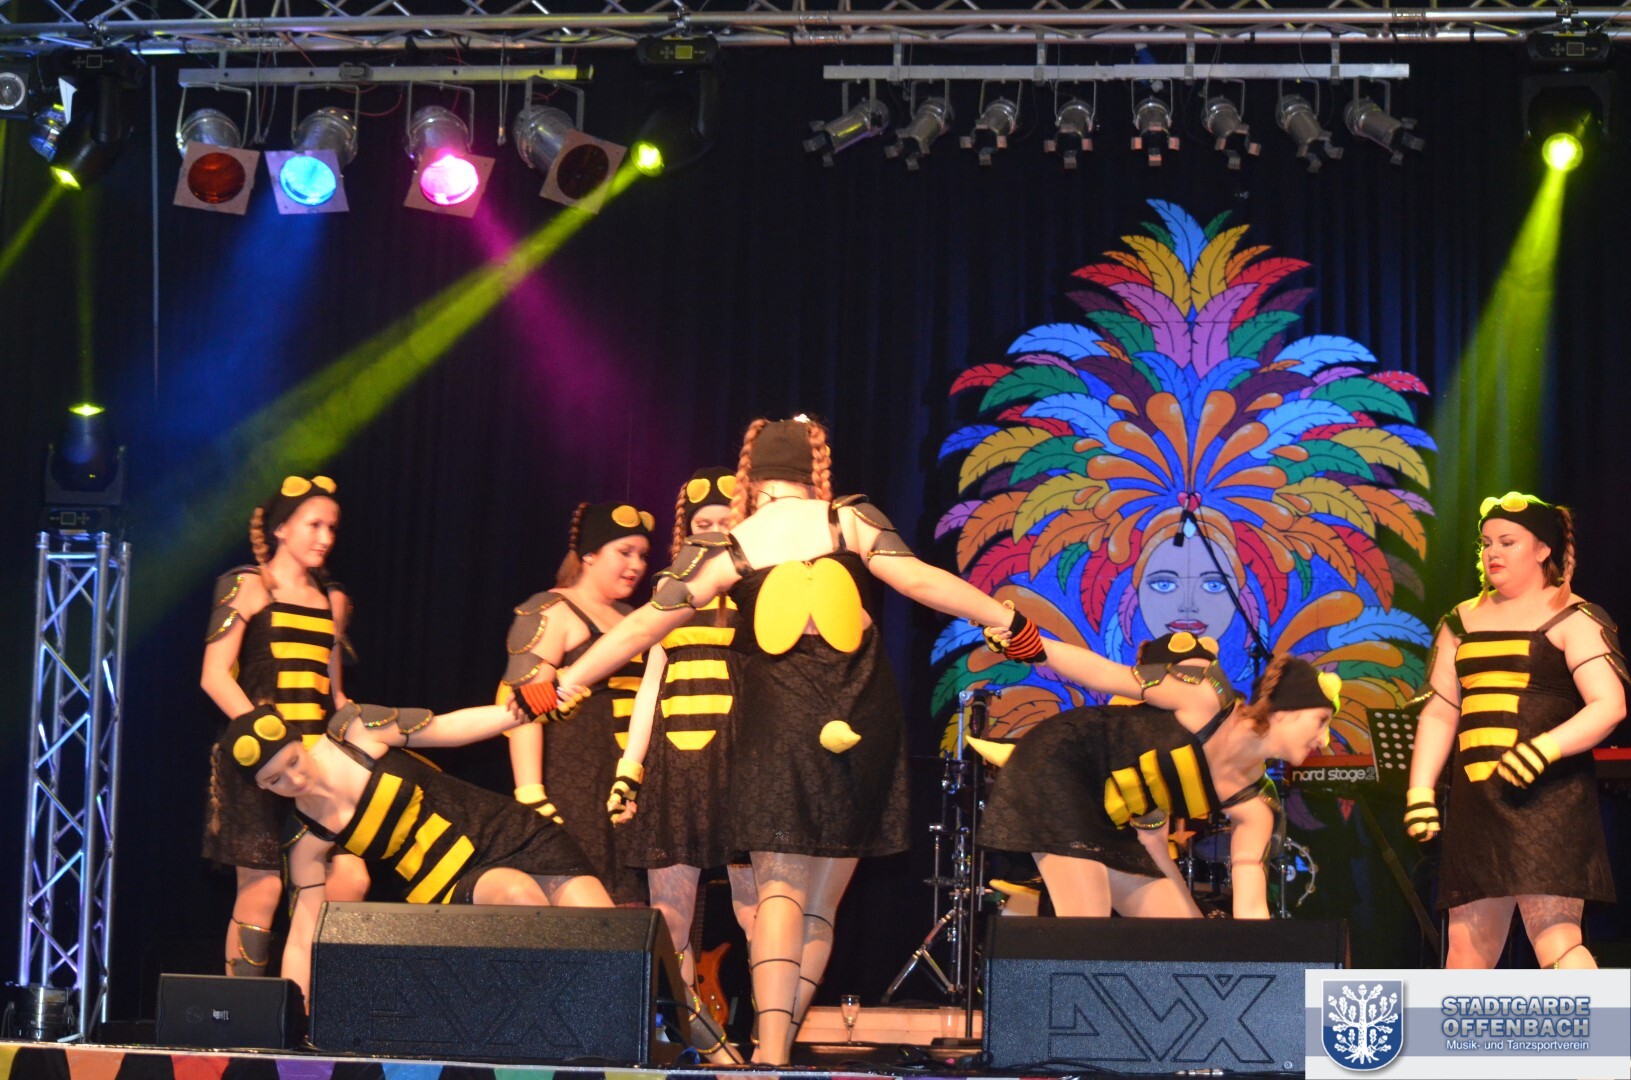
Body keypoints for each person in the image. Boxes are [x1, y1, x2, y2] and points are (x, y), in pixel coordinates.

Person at [551, 416, 1026, 1065]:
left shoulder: (734, 545)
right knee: (820, 908)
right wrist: (1008, 619)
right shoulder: (848, 519)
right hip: (862, 713)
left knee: (779, 889)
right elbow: (919, 580)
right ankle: (773, 1043)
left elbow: (641, 629)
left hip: (778, 718)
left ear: (751, 479)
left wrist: (568, 679)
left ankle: (767, 1058)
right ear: (816, 470)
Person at [226, 689, 609, 1003]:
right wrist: (291, 1017)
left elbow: (450, 727)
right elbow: (302, 935)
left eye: (293, 761)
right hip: (447, 885)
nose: (293, 779)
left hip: (510, 831)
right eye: (275, 780)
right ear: (261, 787)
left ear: (299, 740)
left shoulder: (355, 731)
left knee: (608, 940)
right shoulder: (306, 837)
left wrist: (532, 709)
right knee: (518, 896)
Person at [1405, 491, 1626, 968]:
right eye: (1486, 543)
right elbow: (1441, 711)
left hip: (1546, 798)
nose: (1493, 553)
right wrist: (1420, 790)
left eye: (1508, 542)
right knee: (1465, 952)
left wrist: (1544, 748)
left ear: (1543, 549)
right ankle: (1458, 1026)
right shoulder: (1460, 621)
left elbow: (1609, 705)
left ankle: (1598, 1021)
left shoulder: (1574, 615)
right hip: (1478, 804)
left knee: (1556, 939)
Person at [975, 631, 1336, 920]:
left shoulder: (1256, 806)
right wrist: (1026, 638)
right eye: (1321, 721)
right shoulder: (1206, 697)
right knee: (1086, 931)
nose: (1325, 740)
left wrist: (1260, 971)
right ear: (1286, 710)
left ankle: (1025, 910)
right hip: (1064, 765)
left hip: (1114, 818)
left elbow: (1251, 910)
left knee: (1185, 945)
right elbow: (1103, 674)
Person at [612, 467, 758, 1062]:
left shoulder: (757, 588)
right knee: (669, 923)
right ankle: (699, 1048)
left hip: (740, 765)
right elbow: (650, 685)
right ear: (686, 531)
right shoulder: (669, 592)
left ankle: (769, 1044)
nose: (715, 531)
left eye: (726, 521)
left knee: (758, 915)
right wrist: (629, 768)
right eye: (703, 523)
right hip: (675, 767)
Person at [200, 475, 369, 978]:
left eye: (332, 528)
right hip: (259, 764)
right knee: (263, 888)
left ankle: (312, 1001)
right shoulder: (248, 585)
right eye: (314, 525)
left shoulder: (332, 599)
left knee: (348, 879)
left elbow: (334, 693)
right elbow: (214, 676)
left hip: (317, 766)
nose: (325, 537)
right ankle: (242, 1012)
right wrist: (270, 742)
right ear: (280, 528)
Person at [504, 501, 654, 905]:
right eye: (625, 552)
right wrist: (531, 792)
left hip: (626, 782)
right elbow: (523, 708)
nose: (637, 565)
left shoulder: (636, 618)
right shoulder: (552, 609)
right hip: (574, 782)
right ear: (590, 554)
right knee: (586, 907)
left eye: (643, 555)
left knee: (634, 907)